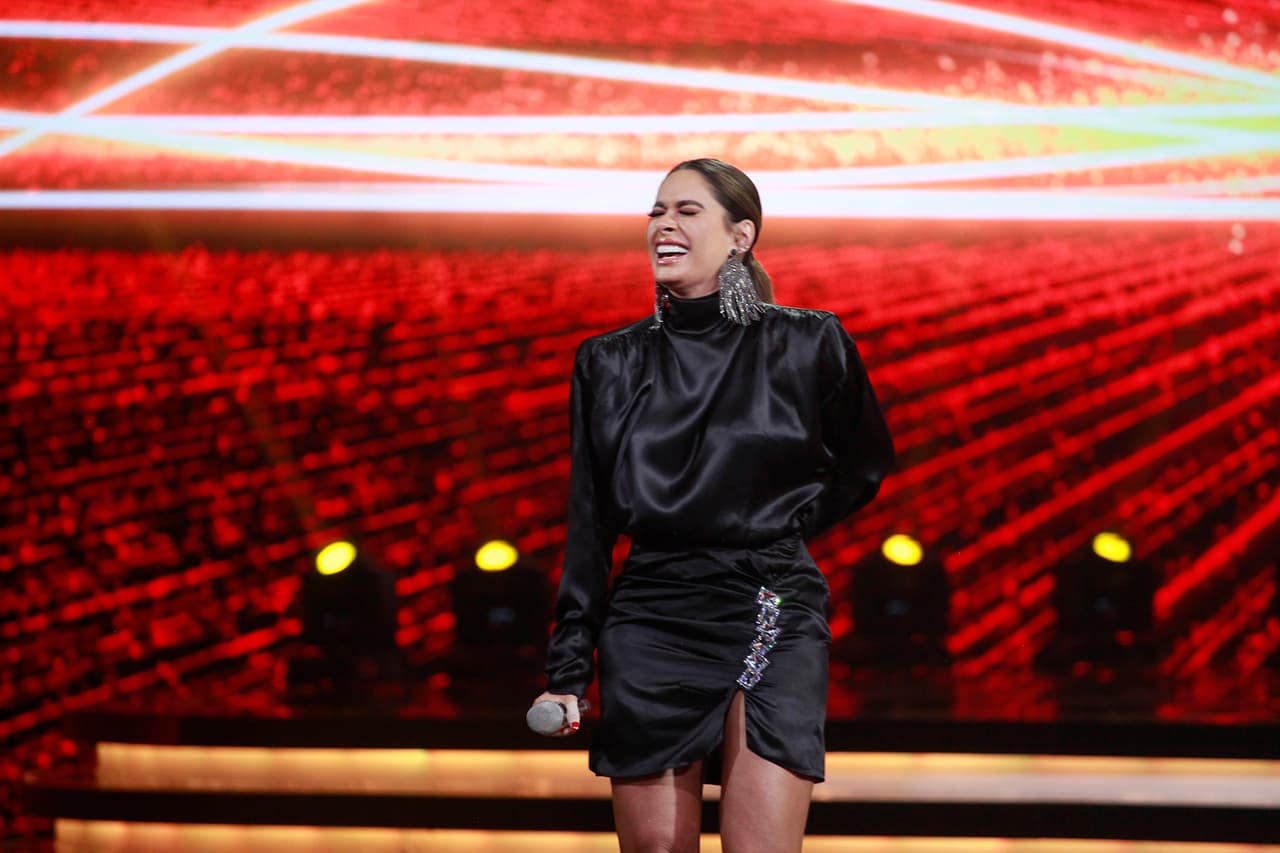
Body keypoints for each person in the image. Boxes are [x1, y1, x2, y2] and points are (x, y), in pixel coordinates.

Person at [529, 158, 894, 853]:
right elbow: (589, 522)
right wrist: (569, 667)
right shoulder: (607, 361)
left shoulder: (808, 341)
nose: (663, 224)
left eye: (686, 211)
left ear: (741, 235)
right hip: (653, 613)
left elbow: (865, 462)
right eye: (656, 212)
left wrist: (782, 523)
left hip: (770, 604)